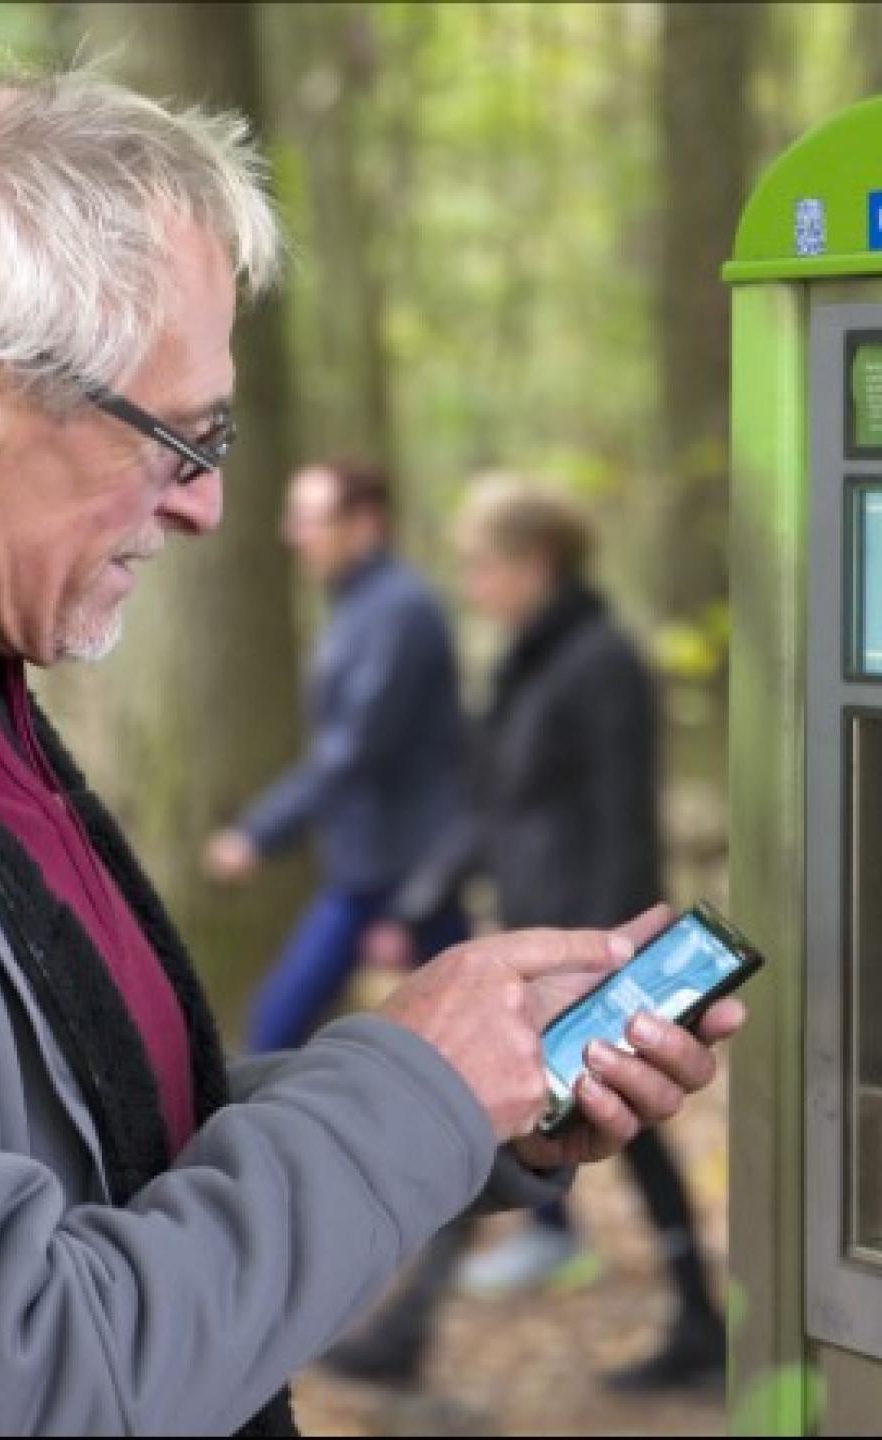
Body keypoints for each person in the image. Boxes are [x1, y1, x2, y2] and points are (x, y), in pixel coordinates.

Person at [0, 71, 744, 1437]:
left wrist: (465, 1103)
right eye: (182, 440)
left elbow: (109, 1142)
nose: (210, 508)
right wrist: (412, 1085)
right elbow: (23, 1379)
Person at [326, 477, 725, 1391]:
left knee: (496, 1122)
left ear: (536, 563)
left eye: (483, 564)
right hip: (540, 941)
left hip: (587, 953)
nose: (470, 584)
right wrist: (419, 894)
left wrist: (611, 969)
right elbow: (492, 807)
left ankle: (407, 1335)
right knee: (606, 1137)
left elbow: (625, 825)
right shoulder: (521, 665)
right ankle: (697, 1317)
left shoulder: (602, 662)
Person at [201, 459, 470, 1052]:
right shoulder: (359, 607)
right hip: (369, 864)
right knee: (464, 1042)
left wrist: (259, 833)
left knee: (278, 1026)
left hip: (401, 871)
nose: (294, 534)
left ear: (365, 523)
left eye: (311, 519)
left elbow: (355, 750)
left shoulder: (398, 612)